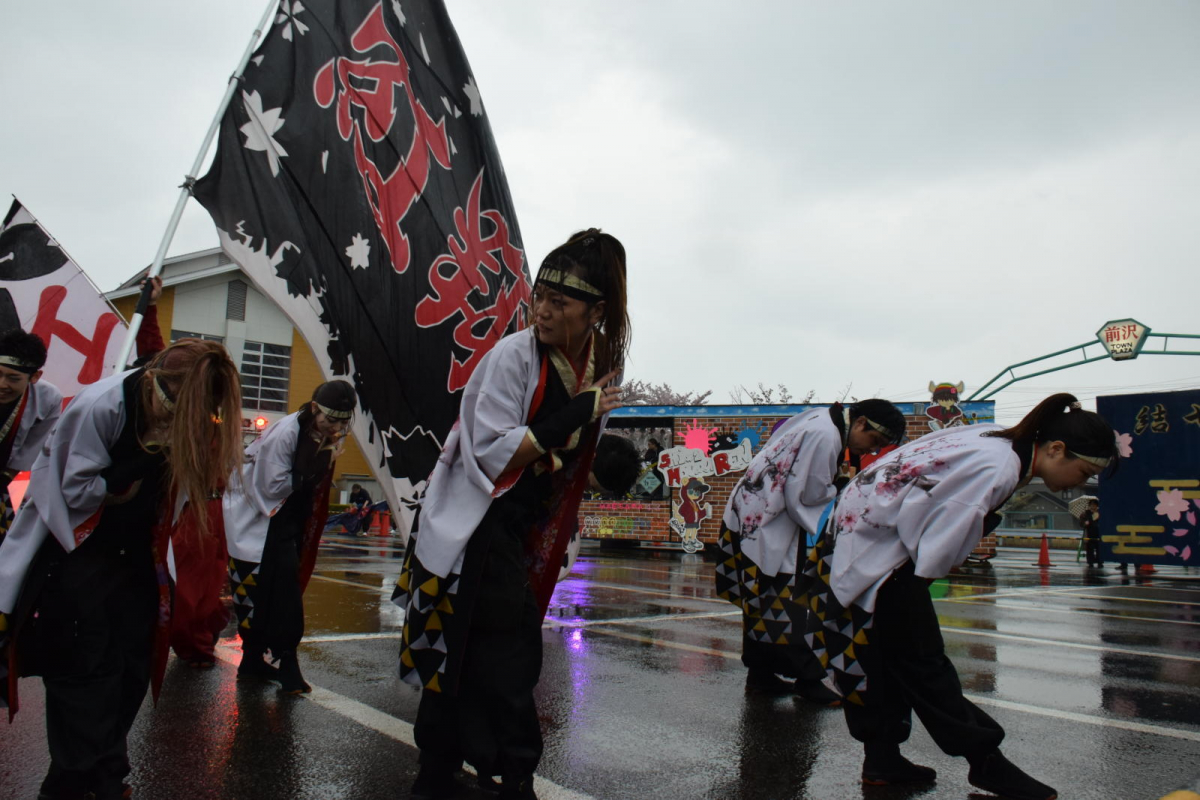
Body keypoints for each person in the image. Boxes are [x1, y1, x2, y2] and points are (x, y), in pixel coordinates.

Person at [395, 228, 628, 800]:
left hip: (519, 520)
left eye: (560, 302)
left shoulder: (595, 361)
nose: (543, 312)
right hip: (475, 516)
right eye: (539, 298)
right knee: (494, 646)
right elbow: (497, 451)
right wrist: (576, 413)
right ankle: (502, 769)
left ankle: (456, 764)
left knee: (485, 645)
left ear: (595, 311)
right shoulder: (513, 356)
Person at [800, 393, 1118, 800]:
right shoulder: (999, 466)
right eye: (1084, 469)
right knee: (924, 666)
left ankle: (882, 761)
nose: (1082, 481)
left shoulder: (993, 440)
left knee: (873, 661)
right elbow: (938, 544)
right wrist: (929, 571)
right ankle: (986, 762)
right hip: (882, 561)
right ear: (1055, 449)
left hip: (849, 545)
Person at [0, 339, 243, 800]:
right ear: (153, 382)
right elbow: (77, 492)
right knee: (84, 671)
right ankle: (70, 785)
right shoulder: (102, 405)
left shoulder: (188, 416)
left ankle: (108, 773)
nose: (176, 423)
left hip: (139, 556)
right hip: (77, 552)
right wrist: (146, 453)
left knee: (133, 666)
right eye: (174, 410)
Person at [716, 400, 906, 706]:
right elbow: (806, 496)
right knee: (790, 605)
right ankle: (808, 680)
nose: (869, 451)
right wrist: (842, 491)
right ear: (860, 424)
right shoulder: (826, 436)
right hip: (767, 525)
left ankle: (761, 675)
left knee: (759, 603)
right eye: (874, 442)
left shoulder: (819, 418)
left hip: (749, 517)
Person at [222, 380, 356, 694]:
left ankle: (254, 662)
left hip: (284, 518)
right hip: (261, 516)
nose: (335, 427)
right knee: (273, 593)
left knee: (278, 589)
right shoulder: (285, 434)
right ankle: (282, 663)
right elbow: (271, 487)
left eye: (342, 421)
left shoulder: (321, 431)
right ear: (314, 409)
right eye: (330, 420)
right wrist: (315, 467)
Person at [0, 328, 63, 546]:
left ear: (35, 376)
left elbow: (28, 452)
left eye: (13, 378)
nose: (2, 384)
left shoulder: (49, 399)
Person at [1080, 499, 1102, 568]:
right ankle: (1090, 562)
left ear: (1097, 506)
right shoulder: (1086, 513)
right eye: (1091, 505)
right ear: (1089, 506)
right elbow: (1081, 523)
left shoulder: (1100, 513)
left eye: (1094, 505)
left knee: (1099, 548)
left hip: (1098, 533)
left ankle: (1100, 562)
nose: (1093, 507)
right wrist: (1084, 523)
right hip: (1089, 533)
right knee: (1090, 549)